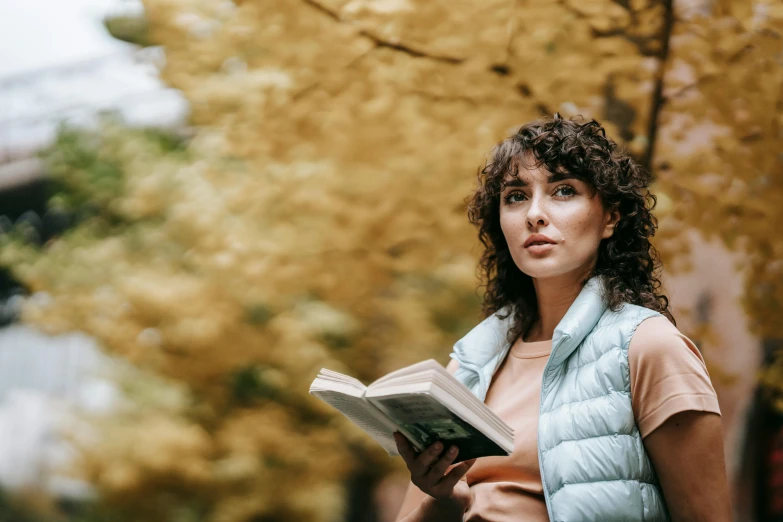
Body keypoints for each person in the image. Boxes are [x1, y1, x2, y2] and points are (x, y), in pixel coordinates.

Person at [392, 114, 732, 521]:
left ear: (610, 217)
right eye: (516, 196)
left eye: (564, 190)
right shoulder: (469, 363)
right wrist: (447, 500)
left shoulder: (649, 347)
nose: (534, 213)